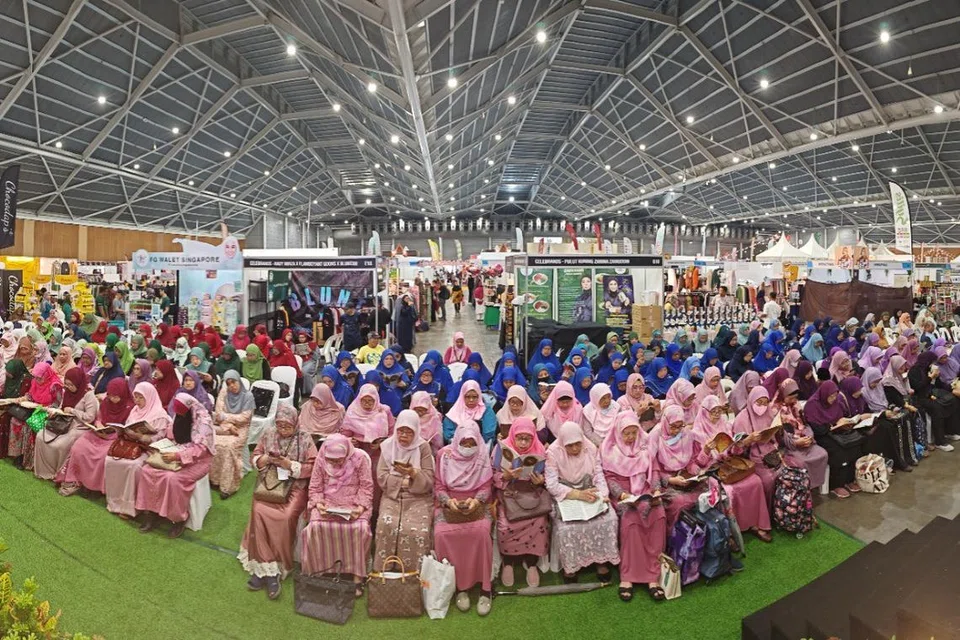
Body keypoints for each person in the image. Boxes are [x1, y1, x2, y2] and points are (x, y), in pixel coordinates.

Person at [239, 403, 317, 596]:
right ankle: (266, 571)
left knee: (286, 516)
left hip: (295, 487)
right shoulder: (269, 433)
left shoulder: (305, 439)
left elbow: (313, 467)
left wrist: (289, 464)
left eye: (287, 427)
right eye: (280, 426)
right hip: (269, 485)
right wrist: (266, 459)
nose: (283, 430)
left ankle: (274, 568)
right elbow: (255, 456)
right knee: (259, 510)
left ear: (295, 424)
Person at [601, 412, 668, 601]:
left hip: (644, 492)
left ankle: (652, 576)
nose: (631, 437)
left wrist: (655, 491)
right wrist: (623, 495)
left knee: (659, 514)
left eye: (634, 433)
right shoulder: (610, 450)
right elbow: (609, 478)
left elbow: (654, 471)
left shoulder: (645, 446)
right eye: (626, 433)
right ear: (618, 433)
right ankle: (628, 576)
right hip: (624, 496)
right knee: (631, 520)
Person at [299, 430, 373, 599]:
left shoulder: (359, 459)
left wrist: (360, 508)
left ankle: (357, 576)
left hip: (354, 505)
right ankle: (317, 571)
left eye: (338, 459)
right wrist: (319, 504)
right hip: (327, 503)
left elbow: (366, 487)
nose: (335, 462)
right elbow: (315, 487)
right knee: (315, 528)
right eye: (331, 460)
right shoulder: (321, 459)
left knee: (361, 529)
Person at [545, 421, 619, 583]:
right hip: (566, 495)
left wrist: (603, 495)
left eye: (577, 444)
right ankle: (571, 566)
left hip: (590, 490)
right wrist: (578, 494)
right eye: (569, 446)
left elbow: (598, 474)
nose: (575, 449)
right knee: (566, 528)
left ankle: (601, 560)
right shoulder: (553, 452)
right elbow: (551, 484)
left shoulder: (590, 448)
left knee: (609, 518)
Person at [434, 421, 494, 615]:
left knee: (482, 532)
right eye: (464, 443)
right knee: (442, 533)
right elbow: (438, 486)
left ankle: (486, 588)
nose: (468, 448)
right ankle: (460, 587)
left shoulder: (483, 455)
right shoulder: (444, 455)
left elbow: (486, 486)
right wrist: (448, 501)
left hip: (476, 503)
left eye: (472, 443)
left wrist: (476, 501)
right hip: (450, 502)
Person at [136, 393, 215, 538]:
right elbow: (169, 433)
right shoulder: (180, 415)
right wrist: (154, 442)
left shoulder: (203, 421)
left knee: (173, 479)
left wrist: (178, 456)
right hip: (176, 450)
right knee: (148, 471)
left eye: (180, 411)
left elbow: (201, 450)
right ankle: (152, 512)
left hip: (198, 460)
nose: (177, 414)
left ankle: (178, 518)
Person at [373, 408, 435, 573]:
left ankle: (413, 575)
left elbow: (429, 480)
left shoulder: (423, 448)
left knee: (418, 531)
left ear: (416, 431)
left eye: (409, 432)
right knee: (386, 524)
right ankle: (384, 572)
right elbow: (381, 477)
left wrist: (413, 473)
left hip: (418, 497)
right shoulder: (387, 446)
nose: (404, 436)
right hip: (392, 496)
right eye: (401, 431)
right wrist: (405, 481)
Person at [104, 382, 173, 519]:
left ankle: (130, 507)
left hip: (148, 450)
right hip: (131, 445)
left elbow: (159, 439)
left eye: (141, 397)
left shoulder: (159, 415)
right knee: (110, 460)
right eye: (135, 397)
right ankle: (115, 502)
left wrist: (142, 437)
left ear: (149, 397)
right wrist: (123, 432)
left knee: (133, 466)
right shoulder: (135, 410)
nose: (137, 401)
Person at [57, 378, 134, 496]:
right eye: (110, 395)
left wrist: (114, 432)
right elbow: (99, 418)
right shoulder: (106, 402)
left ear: (123, 395)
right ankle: (76, 480)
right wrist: (98, 424)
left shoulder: (130, 408)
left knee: (101, 456)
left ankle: (93, 487)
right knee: (78, 447)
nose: (112, 399)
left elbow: (127, 429)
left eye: (116, 396)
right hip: (98, 433)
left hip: (115, 438)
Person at [802, 380, 865, 499]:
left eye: (835, 396)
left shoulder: (835, 402)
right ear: (824, 394)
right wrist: (832, 425)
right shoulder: (812, 405)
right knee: (838, 450)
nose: (833, 399)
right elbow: (816, 429)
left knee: (854, 444)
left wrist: (845, 423)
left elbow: (840, 416)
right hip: (821, 436)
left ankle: (849, 479)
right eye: (831, 396)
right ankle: (836, 485)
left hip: (835, 432)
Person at [33, 367, 98, 480]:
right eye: (67, 384)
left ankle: (58, 474)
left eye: (71, 384)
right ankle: (43, 470)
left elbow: (90, 417)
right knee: (40, 436)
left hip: (78, 426)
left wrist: (73, 411)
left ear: (78, 382)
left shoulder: (88, 395)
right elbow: (61, 407)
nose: (68, 387)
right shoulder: (67, 391)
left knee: (61, 444)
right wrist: (55, 412)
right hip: (62, 421)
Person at [8, 362, 62, 471]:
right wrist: (24, 398)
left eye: (40, 378)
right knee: (15, 420)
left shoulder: (55, 385)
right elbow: (31, 395)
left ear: (47, 375)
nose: (37, 381)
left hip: (46, 413)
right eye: (35, 378)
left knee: (28, 424)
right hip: (33, 409)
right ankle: (17, 454)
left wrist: (44, 408)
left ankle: (26, 459)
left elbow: (57, 404)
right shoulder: (34, 381)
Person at [210, 370, 254, 499]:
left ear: (238, 381)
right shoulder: (224, 393)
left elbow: (245, 418)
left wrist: (226, 417)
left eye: (234, 382)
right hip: (225, 427)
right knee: (213, 443)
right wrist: (229, 425)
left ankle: (227, 487)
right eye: (228, 384)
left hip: (241, 428)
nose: (232, 386)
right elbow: (218, 414)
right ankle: (214, 480)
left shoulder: (248, 396)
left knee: (229, 448)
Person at [443, 379, 497, 443]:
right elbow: (449, 434)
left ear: (479, 396)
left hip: (481, 446)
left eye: (474, 397)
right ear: (462, 396)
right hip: (457, 446)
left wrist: (475, 444)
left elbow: (488, 433)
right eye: (467, 397)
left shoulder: (486, 410)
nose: (471, 400)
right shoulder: (455, 411)